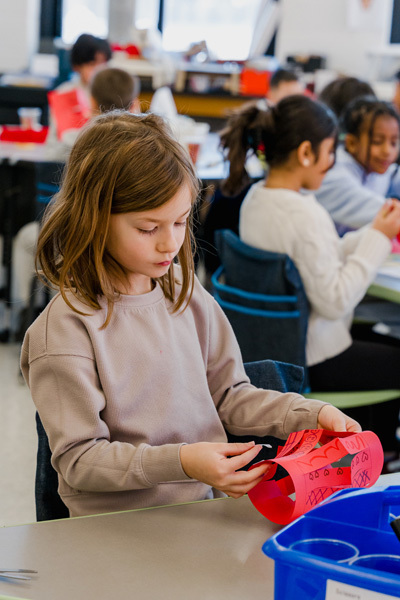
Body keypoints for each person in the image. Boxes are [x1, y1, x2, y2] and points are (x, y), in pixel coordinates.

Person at [20, 111, 359, 518]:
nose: (170, 243)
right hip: (115, 532)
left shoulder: (183, 291)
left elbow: (230, 396)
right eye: (148, 228)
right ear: (93, 219)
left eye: (181, 222)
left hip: (198, 514)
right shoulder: (65, 330)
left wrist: (310, 415)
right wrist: (182, 462)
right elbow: (79, 462)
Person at [220, 95, 400, 452]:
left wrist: (372, 232)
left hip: (276, 349)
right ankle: (378, 456)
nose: (331, 164)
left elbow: (320, 256)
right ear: (306, 153)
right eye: (330, 152)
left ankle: (378, 451)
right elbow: (334, 301)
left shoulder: (258, 197)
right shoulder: (302, 213)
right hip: (316, 357)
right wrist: (379, 237)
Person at [12, 67, 141, 337]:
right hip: (113, 245)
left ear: (90, 102)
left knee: (25, 238)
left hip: (59, 237)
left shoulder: (68, 142)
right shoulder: (138, 152)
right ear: (135, 105)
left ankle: (25, 315)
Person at [315, 96, 400, 231]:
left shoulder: (378, 167)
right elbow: (387, 213)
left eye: (393, 143)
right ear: (352, 143)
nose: (388, 151)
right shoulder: (332, 174)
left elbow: (395, 176)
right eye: (377, 141)